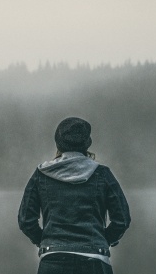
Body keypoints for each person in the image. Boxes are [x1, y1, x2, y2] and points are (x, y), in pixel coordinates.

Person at [18, 117, 131, 274]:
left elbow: (26, 221)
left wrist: (45, 240)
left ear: (58, 143)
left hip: (52, 260)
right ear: (86, 144)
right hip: (95, 260)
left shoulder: (41, 175)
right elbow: (122, 220)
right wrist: (102, 240)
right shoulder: (102, 174)